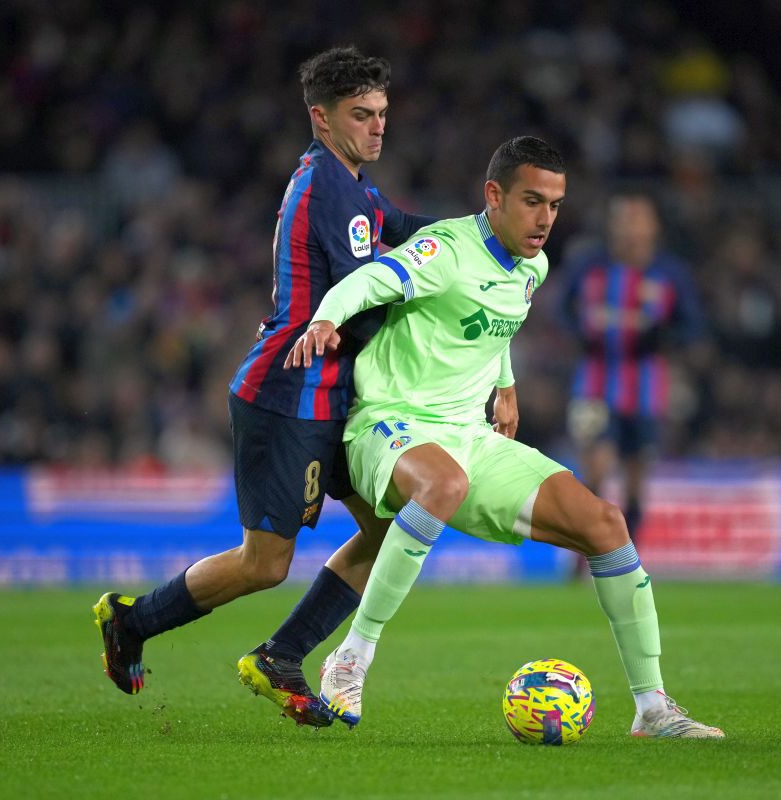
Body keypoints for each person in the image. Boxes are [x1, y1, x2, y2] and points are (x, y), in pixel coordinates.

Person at [285, 136, 724, 738]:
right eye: (531, 201)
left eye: (556, 204)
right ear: (493, 196)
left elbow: (492, 327)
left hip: (467, 435)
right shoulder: (444, 249)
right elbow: (369, 282)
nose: (545, 219)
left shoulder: (533, 266)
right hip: (389, 423)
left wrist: (506, 382)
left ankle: (653, 709)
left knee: (606, 524)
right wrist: (326, 319)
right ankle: (351, 657)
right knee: (442, 484)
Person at [91, 46, 437, 727]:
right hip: (290, 395)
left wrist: (483, 239)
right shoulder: (328, 189)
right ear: (321, 117)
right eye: (362, 115)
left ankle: (282, 655)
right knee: (266, 562)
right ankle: (132, 621)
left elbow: (407, 231)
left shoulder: (354, 185)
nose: (377, 127)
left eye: (383, 114)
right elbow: (365, 300)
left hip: (330, 396)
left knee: (390, 529)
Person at [560, 193, 705, 553]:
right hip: (592, 382)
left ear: (653, 227)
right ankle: (586, 556)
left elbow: (692, 325)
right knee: (596, 465)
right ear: (612, 225)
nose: (629, 227)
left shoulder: (670, 273)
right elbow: (560, 308)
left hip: (646, 385)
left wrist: (659, 336)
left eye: (637, 219)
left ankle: (628, 554)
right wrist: (581, 331)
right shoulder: (589, 265)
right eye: (623, 219)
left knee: (636, 478)